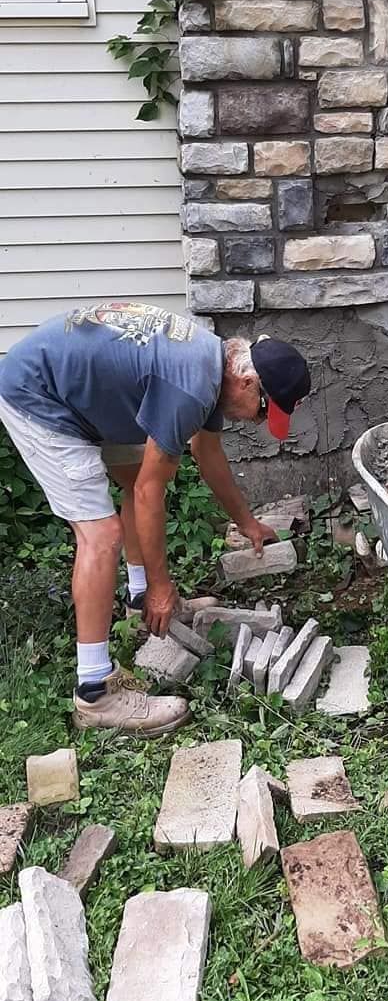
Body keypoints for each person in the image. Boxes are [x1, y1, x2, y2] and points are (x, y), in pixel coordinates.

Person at [0, 301, 310, 736]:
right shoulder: (190, 388)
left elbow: (208, 454)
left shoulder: (211, 364)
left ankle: (136, 598)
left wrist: (246, 521)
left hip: (83, 392)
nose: (259, 422)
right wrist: (165, 586)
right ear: (246, 381)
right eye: (264, 410)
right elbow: (151, 493)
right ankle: (95, 693)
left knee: (131, 478)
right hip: (39, 395)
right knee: (101, 535)